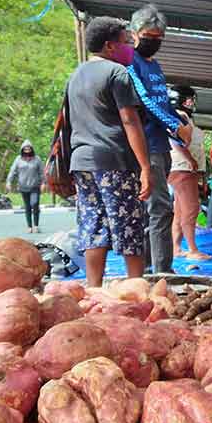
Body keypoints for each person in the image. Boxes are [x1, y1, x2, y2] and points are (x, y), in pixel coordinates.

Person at [66, 16, 152, 286]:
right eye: (126, 42)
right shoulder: (118, 74)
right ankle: (136, 287)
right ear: (110, 46)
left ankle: (93, 290)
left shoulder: (75, 75)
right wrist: (146, 168)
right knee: (129, 224)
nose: (131, 48)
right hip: (114, 160)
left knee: (93, 225)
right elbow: (130, 120)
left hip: (81, 161)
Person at [128, 4, 190, 274]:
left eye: (157, 37)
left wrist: (178, 123)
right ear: (134, 33)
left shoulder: (156, 66)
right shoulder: (131, 62)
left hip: (161, 145)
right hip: (145, 146)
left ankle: (152, 265)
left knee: (154, 209)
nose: (152, 41)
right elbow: (144, 101)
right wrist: (175, 125)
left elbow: (161, 103)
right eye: (147, 35)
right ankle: (162, 269)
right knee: (160, 209)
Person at [168, 85, 210, 260]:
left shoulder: (179, 116)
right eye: (189, 99)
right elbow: (177, 141)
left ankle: (176, 248)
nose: (191, 103)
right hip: (183, 168)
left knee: (180, 210)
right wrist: (191, 160)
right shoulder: (180, 116)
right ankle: (193, 249)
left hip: (181, 168)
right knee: (191, 209)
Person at [6, 140, 44, 233]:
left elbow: (42, 172)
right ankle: (29, 227)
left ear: (31, 149)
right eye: (25, 148)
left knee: (34, 204)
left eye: (29, 148)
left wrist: (44, 183)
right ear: (22, 149)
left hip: (35, 186)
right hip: (23, 187)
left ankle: (36, 226)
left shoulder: (37, 159)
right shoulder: (18, 159)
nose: (27, 150)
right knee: (27, 206)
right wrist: (9, 182)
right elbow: (13, 171)